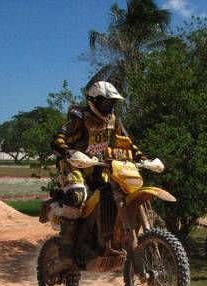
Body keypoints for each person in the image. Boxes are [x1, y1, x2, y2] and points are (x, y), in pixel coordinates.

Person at [48, 81, 146, 265]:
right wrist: (69, 152)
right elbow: (57, 139)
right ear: (94, 100)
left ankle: (104, 240)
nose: (109, 107)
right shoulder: (79, 117)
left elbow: (126, 142)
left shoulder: (113, 119)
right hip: (73, 165)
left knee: (112, 192)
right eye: (106, 103)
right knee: (77, 196)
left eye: (112, 103)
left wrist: (142, 157)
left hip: (96, 165)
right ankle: (67, 251)